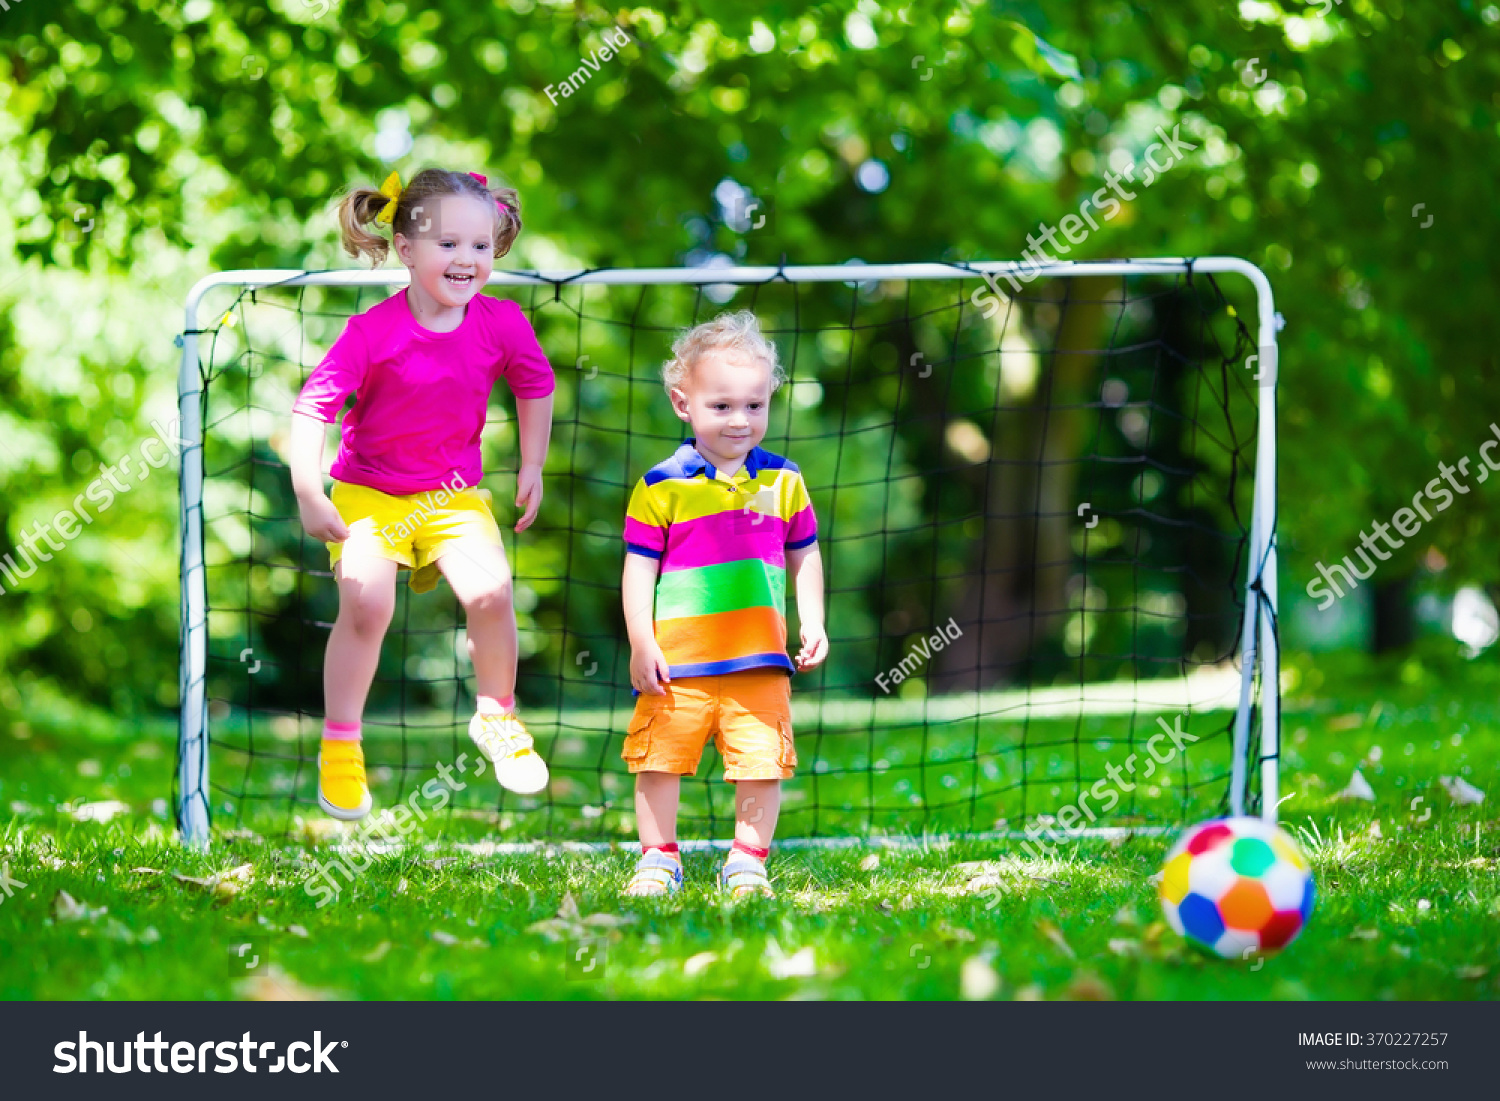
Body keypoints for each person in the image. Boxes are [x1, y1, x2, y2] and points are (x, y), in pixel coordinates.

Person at [288, 167, 554, 822]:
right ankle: (341, 743)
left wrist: (533, 463)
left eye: (481, 246)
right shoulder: (371, 332)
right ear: (406, 249)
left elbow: (535, 384)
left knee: (492, 591)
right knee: (366, 602)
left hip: (452, 495)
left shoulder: (504, 323)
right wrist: (307, 487)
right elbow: (312, 408)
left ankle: (497, 715)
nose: (468, 259)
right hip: (368, 494)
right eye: (449, 245)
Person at [619, 310, 828, 899]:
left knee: (761, 763)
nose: (741, 419)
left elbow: (804, 554)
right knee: (657, 760)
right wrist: (642, 640)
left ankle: (747, 860)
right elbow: (639, 568)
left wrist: (812, 620)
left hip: (759, 661)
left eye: (754, 405)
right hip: (676, 665)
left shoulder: (785, 479)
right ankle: (658, 860)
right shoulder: (662, 485)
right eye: (722, 406)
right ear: (683, 403)